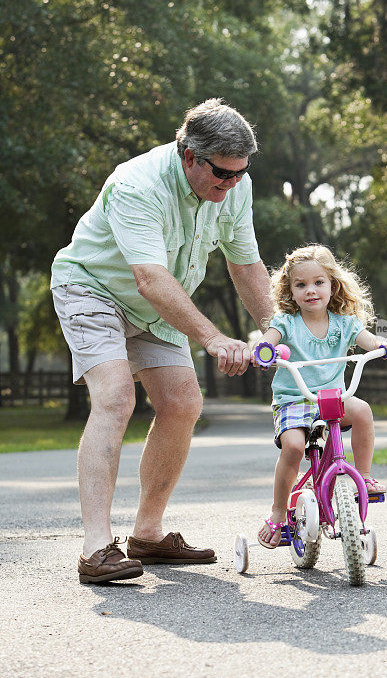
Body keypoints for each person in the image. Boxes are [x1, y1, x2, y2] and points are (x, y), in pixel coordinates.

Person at [50, 98, 273, 583]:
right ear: (190, 155)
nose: (232, 184)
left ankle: (147, 536)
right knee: (115, 397)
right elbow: (149, 277)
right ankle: (95, 550)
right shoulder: (138, 183)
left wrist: (279, 328)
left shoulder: (235, 185)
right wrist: (212, 337)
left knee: (183, 404)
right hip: (93, 288)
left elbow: (246, 263)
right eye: (223, 174)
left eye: (240, 173)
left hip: (159, 303)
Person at [254, 245, 387, 549]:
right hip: (294, 399)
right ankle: (278, 513)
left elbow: (369, 341)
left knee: (361, 410)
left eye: (319, 282)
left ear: (332, 285)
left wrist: (383, 345)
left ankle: (364, 478)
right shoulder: (285, 323)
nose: (311, 290)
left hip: (330, 398)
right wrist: (263, 352)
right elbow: (268, 342)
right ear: (290, 291)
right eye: (301, 285)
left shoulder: (345, 323)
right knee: (293, 447)